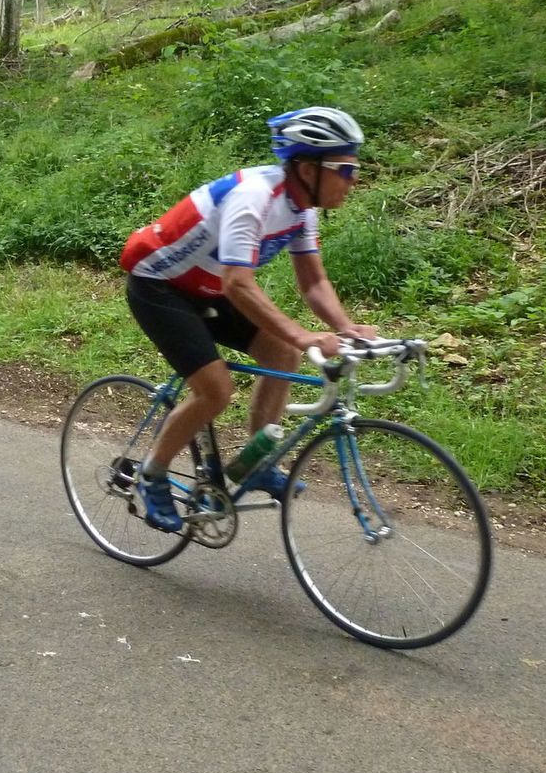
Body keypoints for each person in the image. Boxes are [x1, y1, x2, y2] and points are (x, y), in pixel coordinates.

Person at [119, 106, 379, 532]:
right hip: (159, 285)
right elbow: (238, 283)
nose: (354, 180)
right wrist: (304, 335)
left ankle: (256, 462)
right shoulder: (254, 196)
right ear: (308, 169)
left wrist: (344, 328)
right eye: (346, 170)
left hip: (208, 286)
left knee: (283, 354)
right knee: (215, 391)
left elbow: (313, 281)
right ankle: (152, 474)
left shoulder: (302, 209)